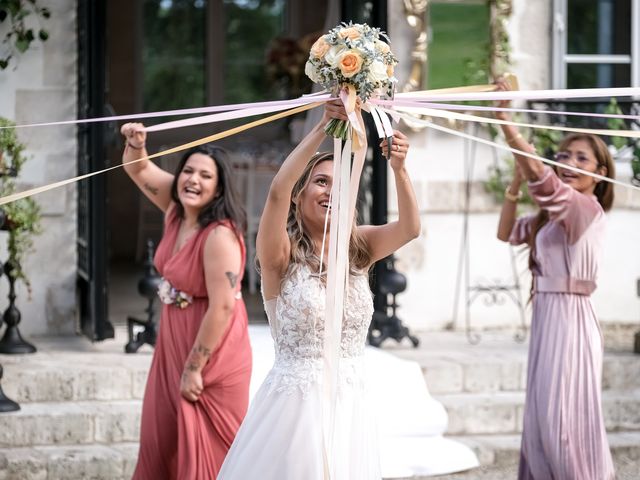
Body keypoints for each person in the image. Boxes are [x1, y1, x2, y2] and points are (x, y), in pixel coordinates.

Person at [218, 100, 420, 479]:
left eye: (340, 184)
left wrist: (400, 169)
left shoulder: (358, 248)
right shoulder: (280, 255)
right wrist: (323, 127)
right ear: (301, 194)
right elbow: (277, 191)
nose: (331, 191)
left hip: (350, 402)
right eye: (321, 182)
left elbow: (409, 229)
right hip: (296, 408)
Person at [494, 80, 615, 480]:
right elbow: (506, 232)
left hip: (572, 320)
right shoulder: (550, 218)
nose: (569, 162)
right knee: (542, 418)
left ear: (600, 173)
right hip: (547, 318)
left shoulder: (586, 209)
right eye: (564, 155)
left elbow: (545, 182)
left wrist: (507, 125)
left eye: (582, 158)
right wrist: (516, 176)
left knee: (562, 420)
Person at [120, 123, 252, 480]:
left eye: (205, 175)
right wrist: (137, 144)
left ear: (219, 187)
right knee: (159, 438)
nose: (193, 180)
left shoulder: (220, 235)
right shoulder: (176, 211)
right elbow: (138, 169)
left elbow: (222, 306)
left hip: (211, 349)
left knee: (206, 450)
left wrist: (194, 367)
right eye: (188, 171)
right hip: (172, 343)